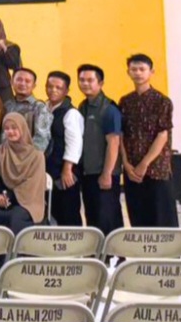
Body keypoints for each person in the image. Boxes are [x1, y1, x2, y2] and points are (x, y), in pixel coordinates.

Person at [118, 54, 176, 227]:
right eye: (134, 69)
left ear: (151, 72)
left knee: (162, 218)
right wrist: (126, 163)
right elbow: (121, 135)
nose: (138, 73)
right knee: (138, 218)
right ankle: (141, 255)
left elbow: (162, 134)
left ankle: (167, 255)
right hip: (132, 170)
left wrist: (144, 164)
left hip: (156, 169)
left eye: (142, 69)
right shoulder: (125, 101)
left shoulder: (162, 101)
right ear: (128, 72)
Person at [75, 64, 124, 237]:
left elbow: (114, 143)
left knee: (108, 220)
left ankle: (115, 259)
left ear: (101, 83)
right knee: (93, 220)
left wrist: (107, 174)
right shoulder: (82, 106)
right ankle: (98, 261)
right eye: (82, 80)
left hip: (104, 175)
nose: (85, 84)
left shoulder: (109, 109)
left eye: (90, 80)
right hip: (88, 174)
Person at [0, 113, 46, 233]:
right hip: (1, 200)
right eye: (6, 128)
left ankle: (18, 252)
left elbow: (31, 187)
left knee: (15, 218)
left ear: (23, 128)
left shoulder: (36, 156)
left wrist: (7, 197)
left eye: (14, 128)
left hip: (27, 203)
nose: (10, 132)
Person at [45, 71, 83, 226]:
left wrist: (67, 169)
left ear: (66, 91)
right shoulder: (44, 108)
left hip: (65, 171)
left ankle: (75, 248)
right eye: (50, 86)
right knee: (51, 210)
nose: (53, 90)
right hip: (48, 169)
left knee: (68, 211)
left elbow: (75, 143)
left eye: (58, 88)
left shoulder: (71, 113)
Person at [1, 68, 52, 152]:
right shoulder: (7, 105)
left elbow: (42, 138)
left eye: (27, 81)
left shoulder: (39, 107)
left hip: (27, 159)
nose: (22, 83)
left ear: (34, 86)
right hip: (4, 157)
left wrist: (28, 158)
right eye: (19, 80)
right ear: (12, 82)